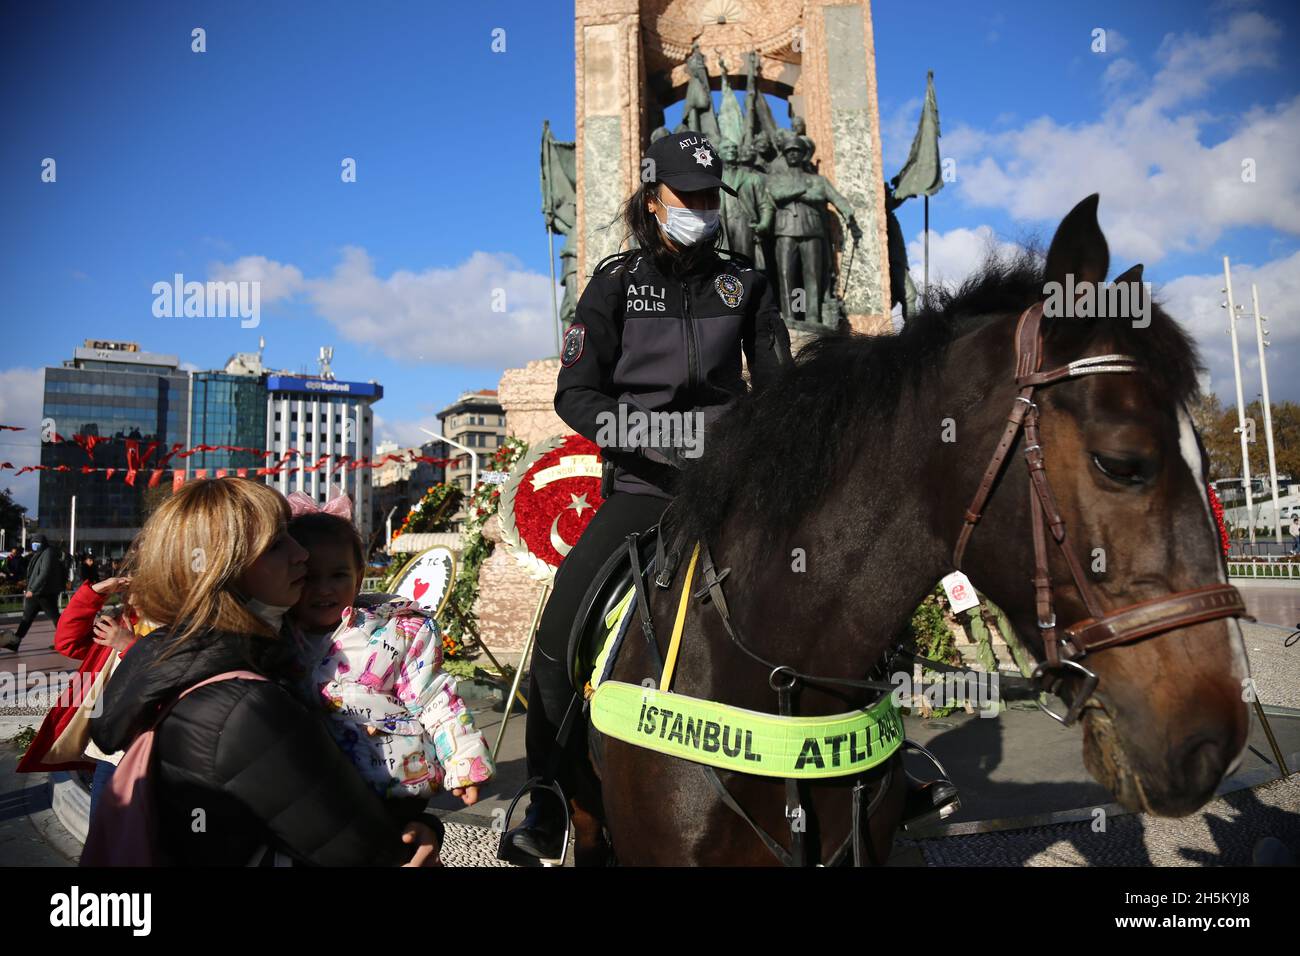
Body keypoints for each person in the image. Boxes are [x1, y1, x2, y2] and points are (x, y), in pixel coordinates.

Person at [499, 130, 794, 862]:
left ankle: (888, 763)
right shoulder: (613, 284)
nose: (698, 208)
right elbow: (577, 394)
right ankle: (544, 797)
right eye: (685, 196)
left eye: (707, 196)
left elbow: (783, 392)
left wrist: (749, 440)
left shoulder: (746, 284)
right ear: (652, 196)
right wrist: (657, 438)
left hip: (733, 490)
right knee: (560, 633)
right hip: (642, 488)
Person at [88, 478, 441, 866]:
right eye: (276, 544)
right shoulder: (244, 704)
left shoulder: (189, 656)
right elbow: (360, 850)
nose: (301, 554)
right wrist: (414, 829)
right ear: (224, 569)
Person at [284, 491, 494, 803]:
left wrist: (463, 760)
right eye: (311, 578)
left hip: (394, 784)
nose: (324, 588)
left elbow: (435, 699)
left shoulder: (397, 633)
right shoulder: (278, 637)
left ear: (358, 579)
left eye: (339, 575)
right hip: (314, 792)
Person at [1, 534, 67, 653]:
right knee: (27, 618)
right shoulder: (41, 553)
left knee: (55, 618)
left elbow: (44, 573)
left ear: (43, 543)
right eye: (33, 542)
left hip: (44, 593)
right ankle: (16, 642)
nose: (34, 545)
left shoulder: (48, 553)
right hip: (38, 593)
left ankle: (65, 642)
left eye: (37, 543)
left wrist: (33, 589)